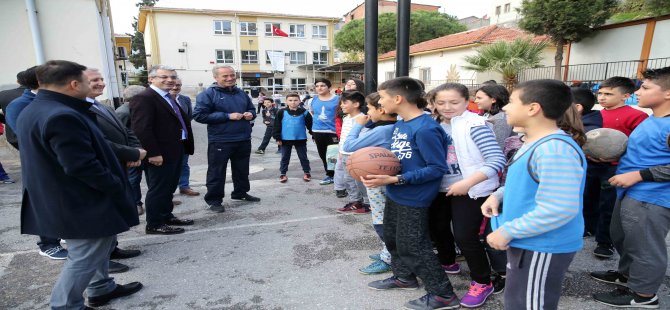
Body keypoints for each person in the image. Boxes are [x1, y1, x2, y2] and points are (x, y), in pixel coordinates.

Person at [16, 60, 142, 309]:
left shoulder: (37, 108)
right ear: (75, 84)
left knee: (96, 248)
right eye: (87, 81)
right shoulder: (62, 115)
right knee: (84, 255)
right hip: (79, 200)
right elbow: (81, 166)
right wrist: (116, 185)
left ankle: (101, 287)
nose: (92, 85)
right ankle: (65, 305)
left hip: (66, 197)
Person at [482, 79, 586, 310]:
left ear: (533, 108)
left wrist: (509, 230)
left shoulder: (553, 149)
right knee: (518, 302)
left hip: (542, 244)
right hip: (530, 240)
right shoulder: (536, 142)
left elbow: (559, 207)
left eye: (511, 102)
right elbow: (531, 181)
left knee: (529, 305)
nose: (506, 107)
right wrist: (499, 195)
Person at [361, 77, 460, 310]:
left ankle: (444, 295)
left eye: (382, 97)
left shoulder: (426, 128)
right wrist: (378, 171)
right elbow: (399, 159)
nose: (380, 101)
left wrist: (396, 178)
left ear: (397, 99)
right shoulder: (401, 123)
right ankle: (404, 277)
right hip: (397, 191)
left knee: (414, 246)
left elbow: (436, 168)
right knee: (393, 237)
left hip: (415, 197)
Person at [591, 67, 670, 309]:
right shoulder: (652, 119)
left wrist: (639, 175)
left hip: (652, 198)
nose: (638, 92)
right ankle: (627, 276)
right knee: (623, 237)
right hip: (630, 192)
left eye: (645, 87)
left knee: (645, 247)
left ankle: (645, 296)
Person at [428, 83, 506, 308]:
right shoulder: (432, 124)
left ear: (466, 101)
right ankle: (449, 262)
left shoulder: (476, 124)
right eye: (441, 102)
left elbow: (497, 160)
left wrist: (468, 183)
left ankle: (482, 281)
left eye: (454, 102)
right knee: (439, 229)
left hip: (472, 190)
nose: (447, 107)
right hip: (439, 187)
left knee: (465, 236)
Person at [6, 66, 71, 260]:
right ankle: (48, 243)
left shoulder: (58, 100)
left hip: (63, 160)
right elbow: (24, 135)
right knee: (44, 203)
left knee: (65, 201)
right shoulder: (19, 104)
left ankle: (68, 233)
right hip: (41, 163)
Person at [130, 65, 195, 234]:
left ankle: (166, 215)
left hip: (175, 149)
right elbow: (142, 129)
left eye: (173, 77)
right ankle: (154, 223)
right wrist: (153, 153)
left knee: (169, 187)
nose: (170, 80)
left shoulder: (166, 97)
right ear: (151, 79)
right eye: (164, 77)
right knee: (159, 188)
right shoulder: (145, 98)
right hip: (159, 153)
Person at [588, 77, 648, 258]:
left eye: (608, 94)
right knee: (588, 198)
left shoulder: (637, 116)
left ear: (626, 96)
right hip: (591, 164)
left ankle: (605, 242)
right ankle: (588, 228)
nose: (602, 97)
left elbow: (639, 144)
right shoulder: (594, 114)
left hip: (615, 168)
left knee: (609, 204)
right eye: (600, 93)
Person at [341, 92, 397, 275]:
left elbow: (349, 146)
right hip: (389, 178)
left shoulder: (381, 131)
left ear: (382, 109)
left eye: (370, 108)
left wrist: (358, 126)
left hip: (378, 180)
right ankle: (387, 252)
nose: (368, 112)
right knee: (389, 220)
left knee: (381, 220)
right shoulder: (396, 125)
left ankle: (389, 258)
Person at [194, 65, 260, 213]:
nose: (230, 78)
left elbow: (252, 110)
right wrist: (227, 116)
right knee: (217, 171)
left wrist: (250, 114)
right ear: (216, 78)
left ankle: (240, 193)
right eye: (225, 76)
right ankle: (214, 200)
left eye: (232, 75)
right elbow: (199, 116)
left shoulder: (241, 93)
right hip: (221, 140)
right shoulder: (207, 94)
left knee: (242, 169)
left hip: (243, 138)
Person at [335, 91, 370, 214]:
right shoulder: (346, 118)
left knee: (360, 181)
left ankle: (367, 203)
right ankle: (355, 201)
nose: (342, 105)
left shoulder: (362, 119)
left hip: (356, 156)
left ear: (356, 104)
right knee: (348, 179)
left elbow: (362, 140)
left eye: (345, 102)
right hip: (344, 154)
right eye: (341, 102)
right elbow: (343, 137)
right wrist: (340, 151)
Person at [116, 85, 147, 216]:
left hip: (144, 150)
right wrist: (130, 153)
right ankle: (136, 203)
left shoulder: (136, 109)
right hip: (133, 153)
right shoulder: (123, 112)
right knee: (133, 179)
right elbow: (120, 135)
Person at [273, 93, 313, 182]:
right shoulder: (281, 112)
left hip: (300, 139)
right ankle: (283, 174)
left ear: (299, 101)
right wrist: (277, 138)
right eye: (290, 100)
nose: (293, 102)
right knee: (285, 157)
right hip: (285, 140)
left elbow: (310, 125)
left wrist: (314, 135)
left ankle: (307, 173)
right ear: (286, 101)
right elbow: (276, 126)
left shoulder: (304, 112)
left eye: (295, 100)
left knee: (303, 157)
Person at [170, 79, 200, 197]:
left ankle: (184, 186)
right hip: (167, 140)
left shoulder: (185, 99)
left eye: (178, 85)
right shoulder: (160, 100)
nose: (175, 87)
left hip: (183, 139)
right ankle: (169, 191)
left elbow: (189, 117)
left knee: (184, 163)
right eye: (173, 84)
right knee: (169, 166)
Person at [308, 78, 340, 185]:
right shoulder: (312, 100)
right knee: (323, 154)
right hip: (317, 131)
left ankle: (335, 175)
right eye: (317, 86)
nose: (319, 88)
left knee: (333, 155)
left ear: (329, 87)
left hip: (333, 132)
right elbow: (312, 113)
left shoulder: (338, 99)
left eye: (322, 85)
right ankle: (329, 174)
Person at [474, 84, 514, 149]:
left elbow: (498, 146)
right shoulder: (488, 114)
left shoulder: (501, 119)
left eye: (479, 98)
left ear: (493, 100)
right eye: (476, 98)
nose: (475, 101)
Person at [0, 70, 27, 149]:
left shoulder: (4, 94)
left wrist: (6, 120)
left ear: (18, 81)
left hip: (13, 136)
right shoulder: (41, 94)